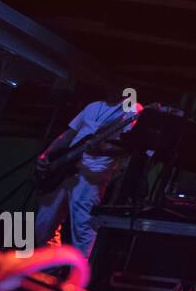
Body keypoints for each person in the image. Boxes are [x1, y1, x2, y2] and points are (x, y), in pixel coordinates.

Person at [33, 96, 141, 256]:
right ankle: (49, 267)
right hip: (65, 168)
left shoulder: (132, 108)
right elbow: (69, 134)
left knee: (83, 229)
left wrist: (101, 151)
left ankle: (79, 277)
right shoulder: (93, 105)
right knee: (43, 225)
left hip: (92, 174)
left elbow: (128, 147)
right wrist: (46, 155)